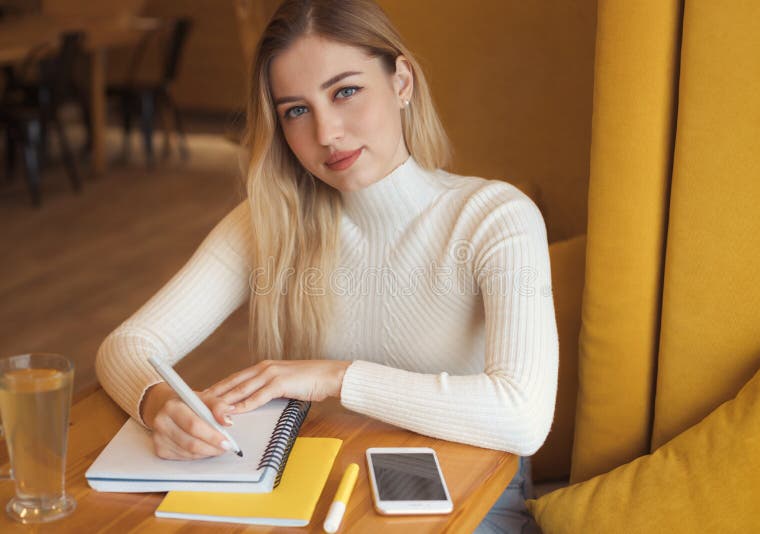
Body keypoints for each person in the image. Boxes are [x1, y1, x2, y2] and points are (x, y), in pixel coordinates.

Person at [96, 0, 557, 531]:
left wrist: (334, 377)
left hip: (462, 499)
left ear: (401, 81)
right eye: (296, 110)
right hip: (314, 492)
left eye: (345, 91)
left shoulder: (495, 218)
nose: (327, 133)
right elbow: (126, 347)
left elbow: (522, 418)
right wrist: (157, 406)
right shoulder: (268, 221)